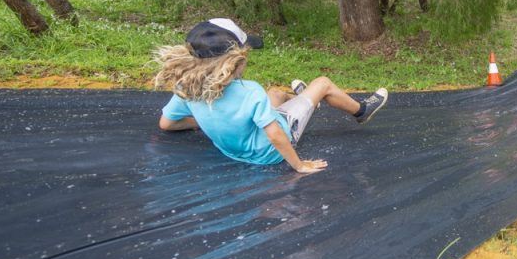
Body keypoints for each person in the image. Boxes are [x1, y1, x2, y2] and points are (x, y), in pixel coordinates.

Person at [155, 18, 388, 174]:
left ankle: (302, 99)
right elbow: (276, 134)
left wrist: (207, 119)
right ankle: (361, 111)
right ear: (235, 60)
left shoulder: (187, 88)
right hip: (269, 152)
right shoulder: (249, 91)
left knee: (274, 94)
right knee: (323, 83)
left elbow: (166, 124)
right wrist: (298, 165)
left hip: (234, 149)